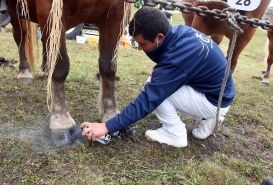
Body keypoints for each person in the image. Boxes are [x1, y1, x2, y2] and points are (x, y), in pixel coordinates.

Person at [81, 6, 235, 148]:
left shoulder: (177, 60)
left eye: (143, 43)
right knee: (159, 77)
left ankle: (175, 133)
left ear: (159, 37)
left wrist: (106, 126)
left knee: (154, 86)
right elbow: (186, 64)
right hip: (219, 95)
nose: (140, 48)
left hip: (214, 103)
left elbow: (148, 99)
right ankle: (208, 121)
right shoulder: (180, 32)